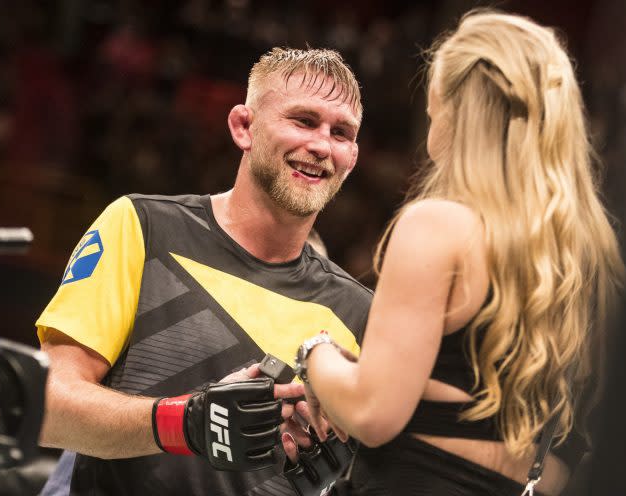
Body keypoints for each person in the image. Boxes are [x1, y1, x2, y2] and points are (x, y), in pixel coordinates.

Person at [294, 10, 626, 496]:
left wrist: (316, 354)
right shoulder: (588, 258)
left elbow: (372, 413)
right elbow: (564, 463)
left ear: (455, 112)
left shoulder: (441, 226)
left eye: (431, 115)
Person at [35, 47, 373, 496]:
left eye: (341, 132)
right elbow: (47, 409)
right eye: (304, 121)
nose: (321, 145)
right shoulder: (142, 226)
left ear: (352, 156)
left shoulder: (360, 312)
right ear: (243, 126)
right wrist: (185, 423)